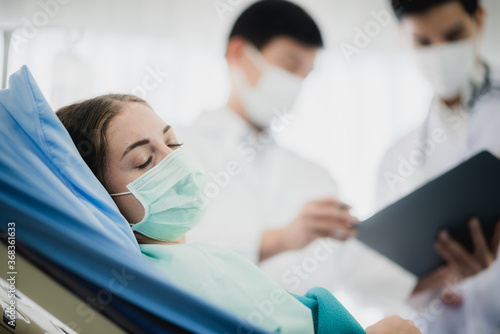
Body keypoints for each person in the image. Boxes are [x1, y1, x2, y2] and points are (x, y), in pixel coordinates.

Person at [56, 93, 420, 334]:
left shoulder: (191, 261)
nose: (174, 161)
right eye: (144, 160)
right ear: (98, 194)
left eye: (172, 142)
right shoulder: (170, 279)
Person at [177, 0, 417, 306]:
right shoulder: (174, 148)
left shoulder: (316, 177)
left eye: (305, 73)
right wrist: (282, 238)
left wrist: (446, 274)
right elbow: (173, 253)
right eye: (289, 66)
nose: (295, 83)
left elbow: (358, 274)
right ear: (238, 54)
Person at [376, 0, 500, 326]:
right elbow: (381, 278)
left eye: (453, 34)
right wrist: (436, 280)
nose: (440, 52)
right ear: (403, 37)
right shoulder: (398, 157)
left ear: (479, 19)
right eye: (424, 42)